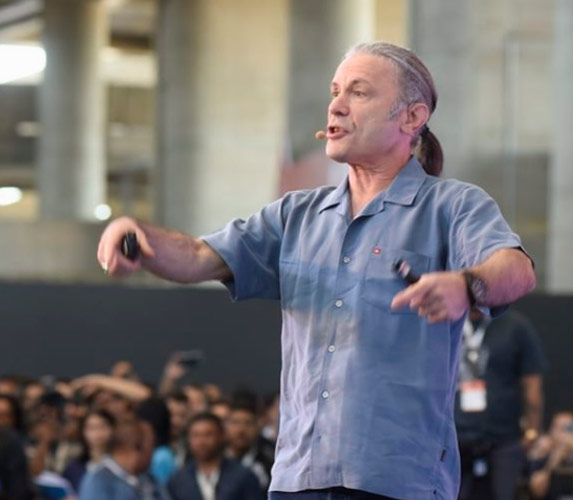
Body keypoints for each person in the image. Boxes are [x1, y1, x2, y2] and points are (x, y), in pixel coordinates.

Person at [97, 41, 536, 500]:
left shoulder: (452, 205)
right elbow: (197, 256)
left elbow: (517, 269)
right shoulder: (295, 215)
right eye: (334, 91)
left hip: (396, 482)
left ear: (412, 118)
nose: (337, 106)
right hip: (298, 478)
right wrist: (139, 237)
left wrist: (468, 285)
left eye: (359, 93)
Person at [455, 308, 546, 500]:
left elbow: (532, 387)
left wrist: (532, 433)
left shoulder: (516, 327)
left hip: (504, 438)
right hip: (454, 437)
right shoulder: (449, 321)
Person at [168, 413, 262, 500]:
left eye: (208, 435)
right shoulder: (178, 480)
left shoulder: (244, 476)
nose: (201, 441)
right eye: (195, 435)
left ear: (221, 436)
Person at [79, 419, 166, 500]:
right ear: (136, 448)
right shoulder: (98, 482)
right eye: (150, 447)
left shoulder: (149, 479)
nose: (153, 454)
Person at [64, 410, 116, 492]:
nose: (98, 433)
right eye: (92, 428)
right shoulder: (75, 467)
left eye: (103, 426)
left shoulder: (122, 463)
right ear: (83, 432)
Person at [224, 404, 272, 490]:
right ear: (225, 427)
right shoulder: (214, 462)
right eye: (235, 422)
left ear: (257, 428)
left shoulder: (269, 465)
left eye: (248, 423)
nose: (241, 430)